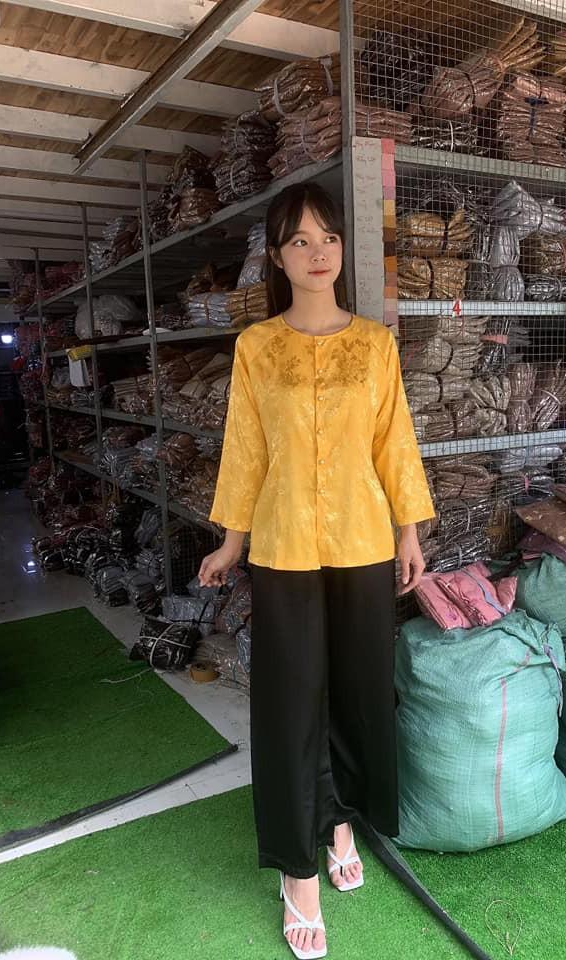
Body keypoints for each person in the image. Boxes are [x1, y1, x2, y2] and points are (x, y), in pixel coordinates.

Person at [197, 182, 435, 959]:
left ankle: (340, 822)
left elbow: (394, 441)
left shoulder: (375, 344)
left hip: (365, 542)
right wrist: (230, 541)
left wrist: (408, 530)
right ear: (277, 256)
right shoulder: (256, 348)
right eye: (299, 240)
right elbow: (245, 448)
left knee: (360, 694)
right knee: (291, 703)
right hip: (285, 546)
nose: (317, 251)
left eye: (327, 237)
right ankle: (297, 872)